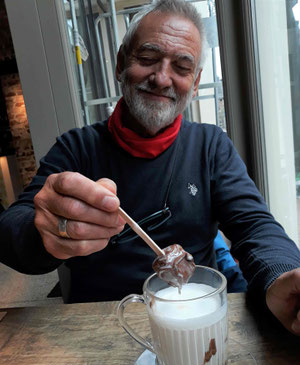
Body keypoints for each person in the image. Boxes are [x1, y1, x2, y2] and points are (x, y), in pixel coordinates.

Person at [0, 0, 299, 335]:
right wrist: (44, 233)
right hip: (99, 331)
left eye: (182, 67)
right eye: (147, 58)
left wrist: (281, 274)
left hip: (193, 321)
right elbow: (11, 228)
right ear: (120, 64)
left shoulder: (210, 145)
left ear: (196, 82)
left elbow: (256, 226)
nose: (161, 78)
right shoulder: (77, 148)